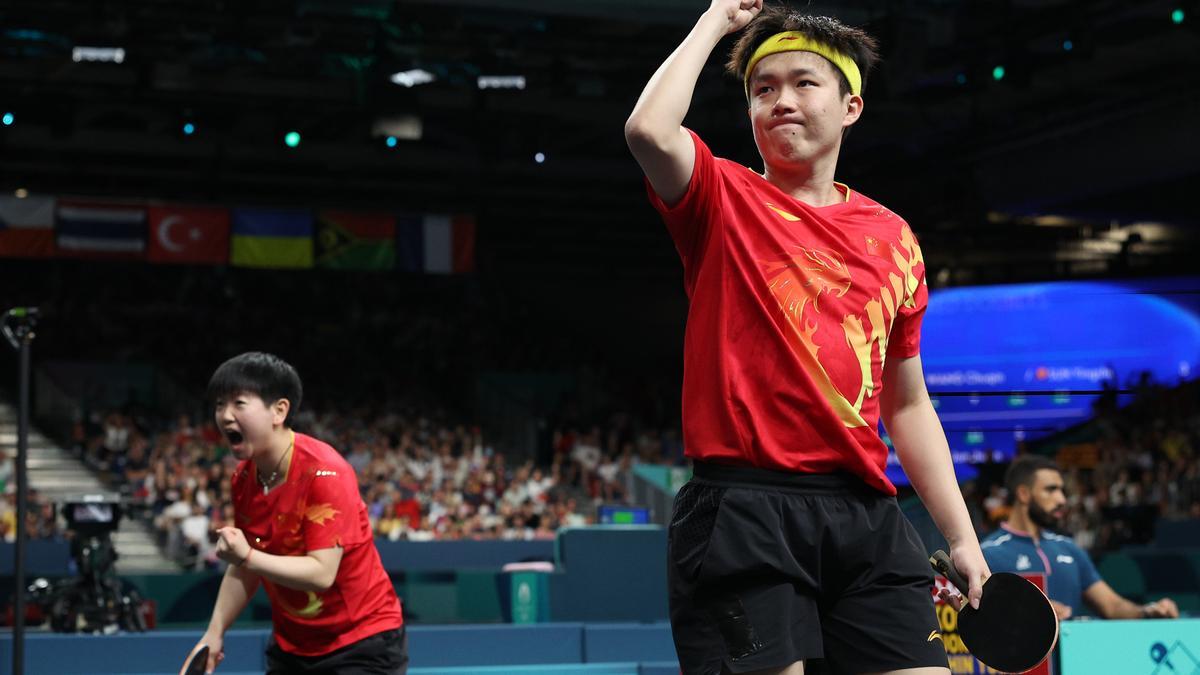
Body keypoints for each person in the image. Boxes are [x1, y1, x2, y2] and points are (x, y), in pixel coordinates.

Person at [625, 2, 989, 673]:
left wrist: (962, 538)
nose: (780, 100)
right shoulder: (720, 199)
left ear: (850, 106)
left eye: (802, 83)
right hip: (743, 510)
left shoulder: (894, 239)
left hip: (866, 515)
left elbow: (907, 404)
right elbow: (648, 130)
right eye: (762, 90)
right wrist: (714, 21)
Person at [189, 352, 406, 674]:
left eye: (238, 403)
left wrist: (247, 556)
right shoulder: (245, 478)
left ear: (279, 410)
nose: (224, 415)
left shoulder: (325, 473)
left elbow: (321, 573)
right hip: (292, 647)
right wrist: (214, 633)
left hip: (360, 642)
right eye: (220, 404)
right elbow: (246, 565)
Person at [981, 455, 1179, 621]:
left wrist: (1147, 612)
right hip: (1020, 665)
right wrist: (1031, 611)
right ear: (1023, 494)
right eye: (1051, 490)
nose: (1062, 500)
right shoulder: (987, 554)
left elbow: (1112, 606)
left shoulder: (1070, 549)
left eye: (1062, 491)